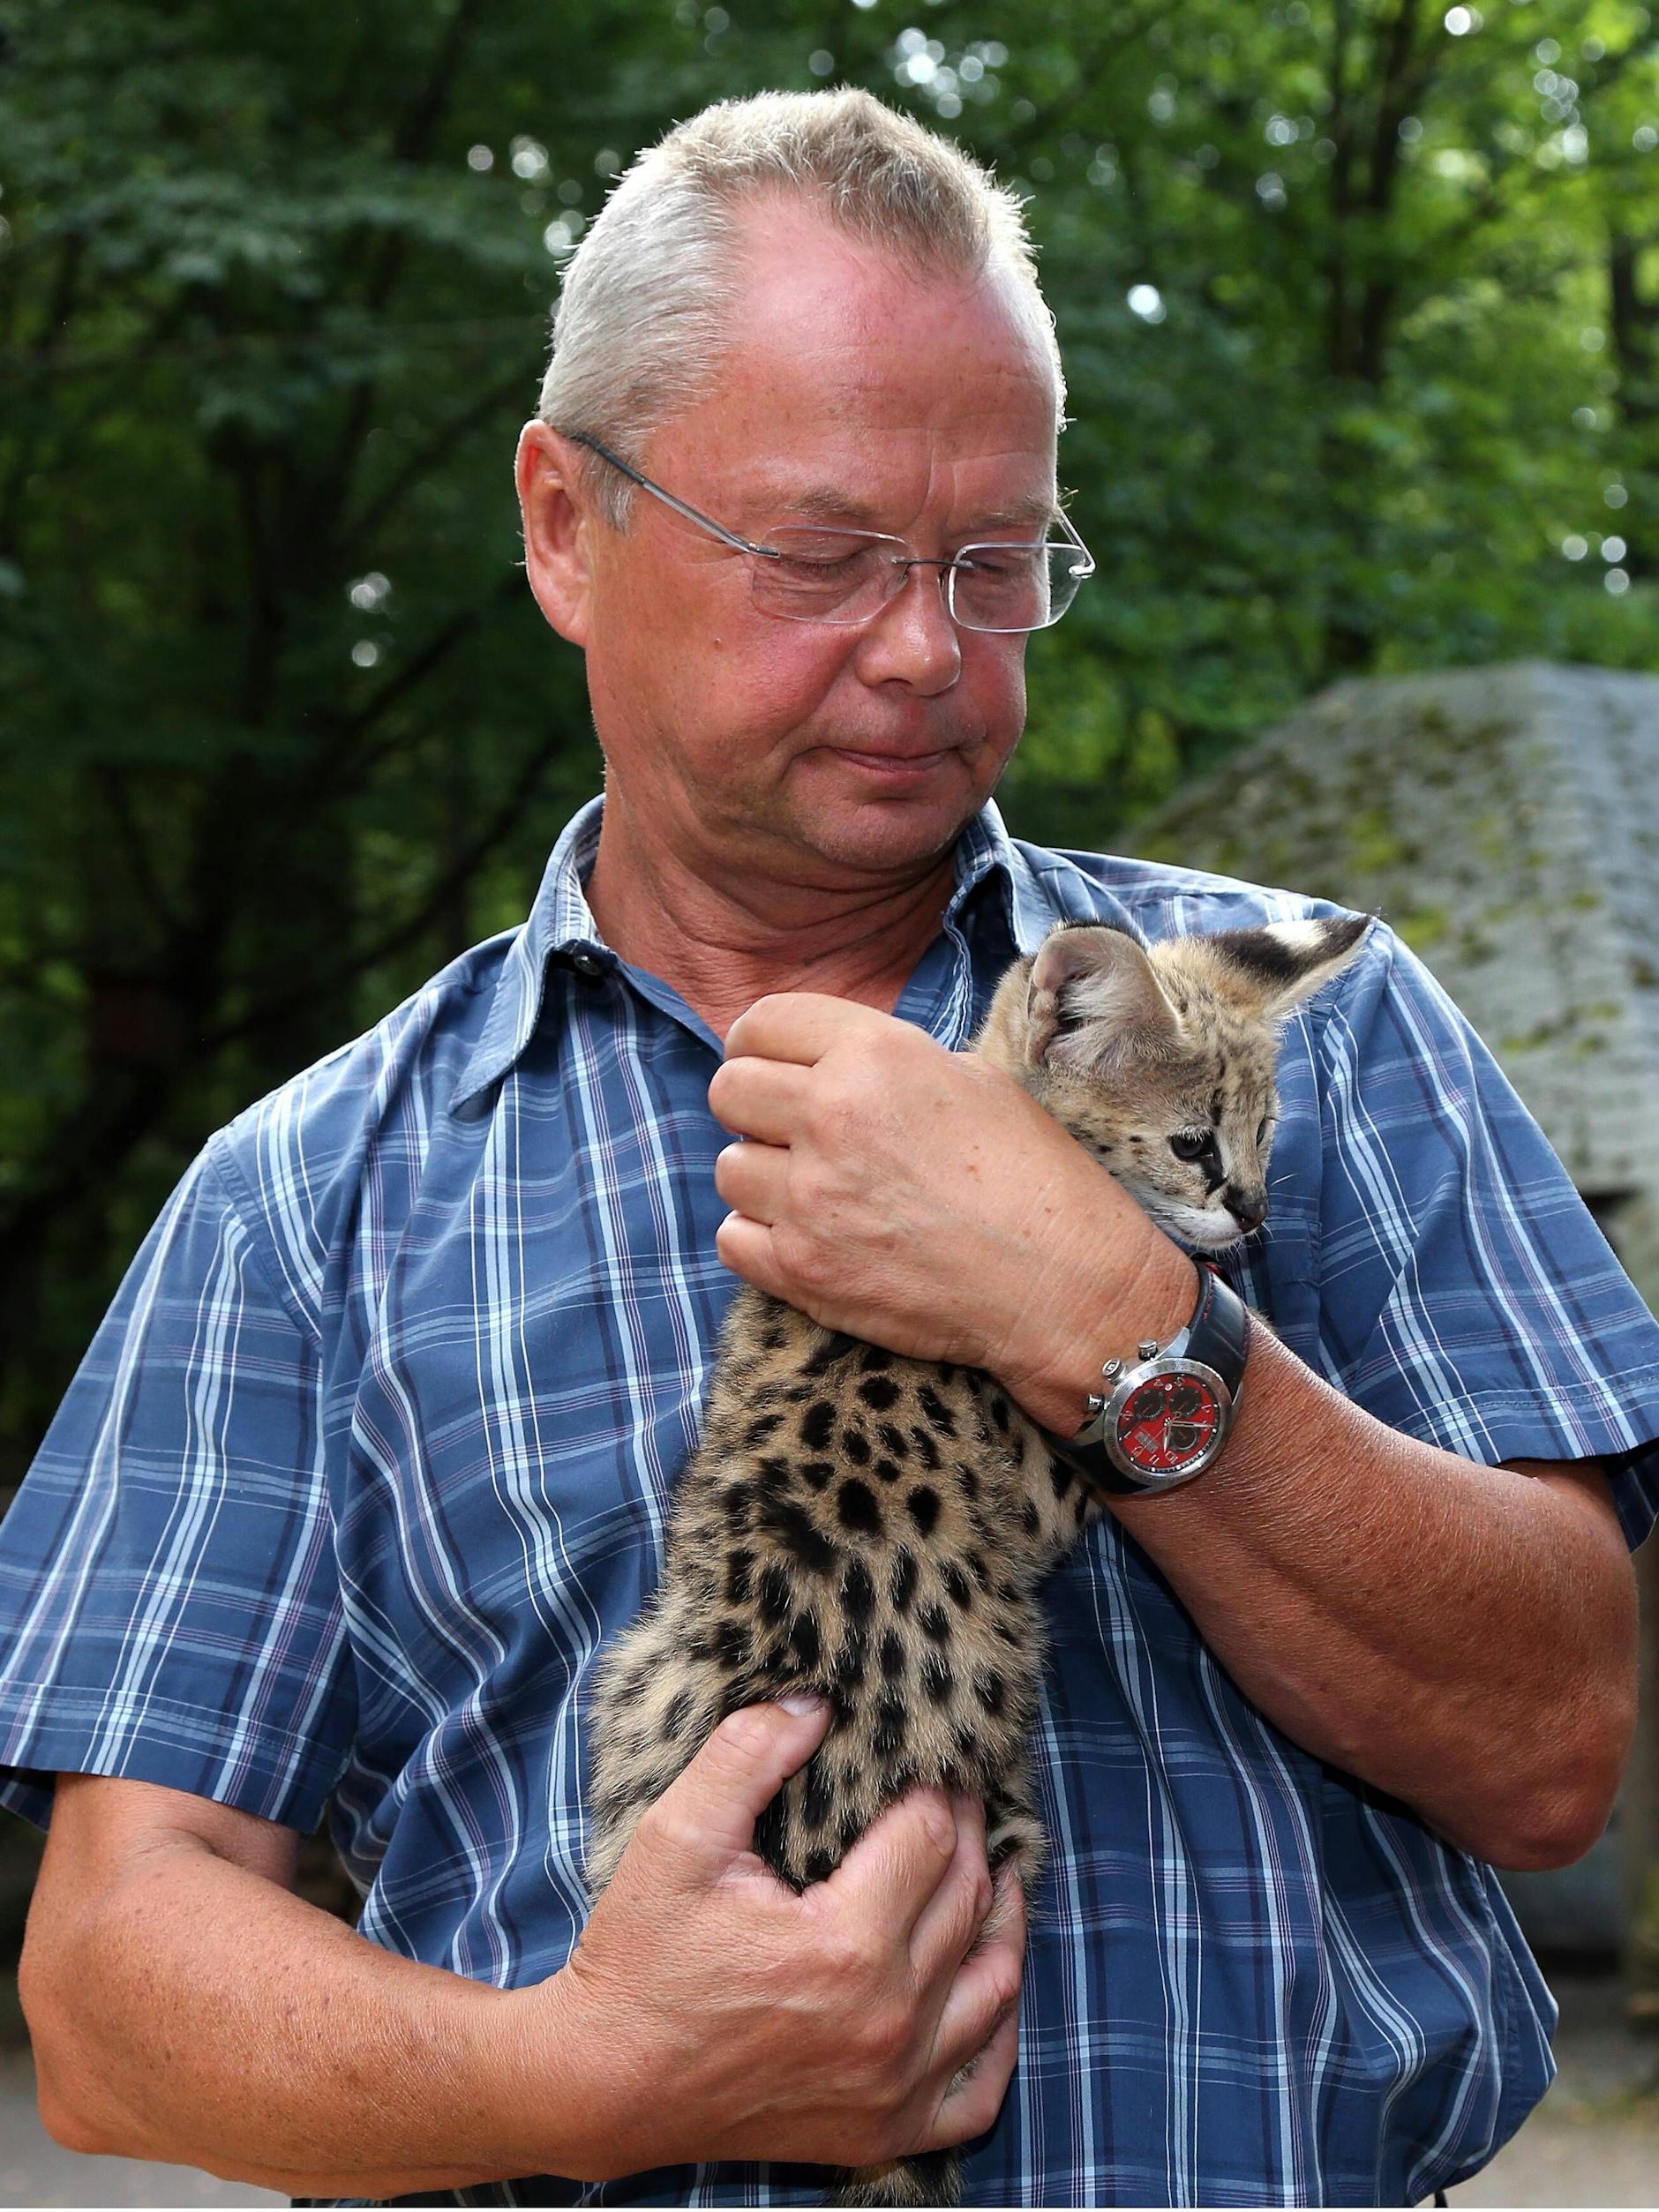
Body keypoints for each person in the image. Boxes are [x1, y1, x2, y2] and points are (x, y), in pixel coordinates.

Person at [4, 87, 1657, 2210]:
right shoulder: (306, 1199)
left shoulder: (1299, 1040)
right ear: (561, 523)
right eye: (822, 552)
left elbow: (1549, 1746)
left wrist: (1117, 1320)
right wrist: (597, 2071)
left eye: (997, 564)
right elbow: (111, 1995)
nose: (924, 649)